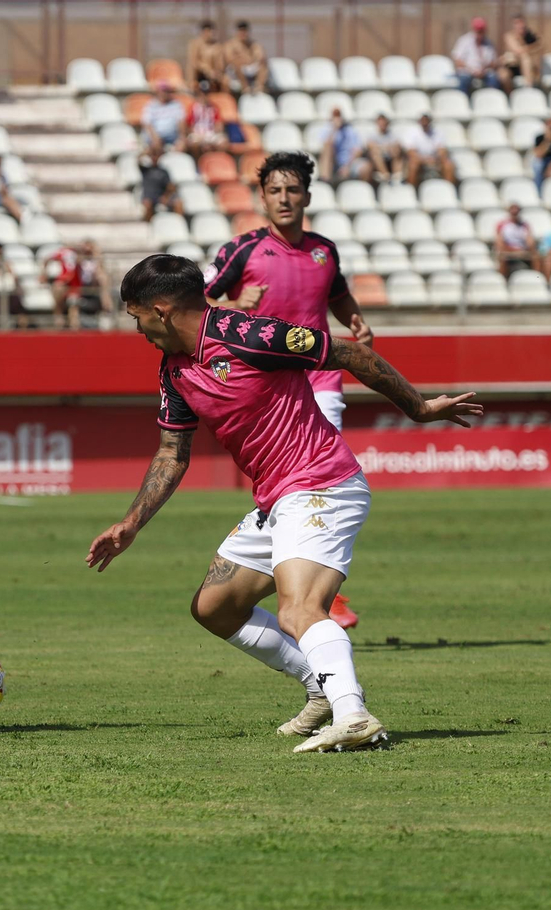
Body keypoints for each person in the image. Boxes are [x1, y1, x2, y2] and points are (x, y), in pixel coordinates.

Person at [88, 253, 482, 752]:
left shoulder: (249, 334)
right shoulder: (174, 370)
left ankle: (353, 713)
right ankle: (320, 687)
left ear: (161, 309)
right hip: (277, 499)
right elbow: (172, 452)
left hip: (321, 484)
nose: (137, 328)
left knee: (300, 609)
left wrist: (420, 408)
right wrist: (131, 524)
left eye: (136, 316)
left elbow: (351, 354)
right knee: (214, 608)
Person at [203, 151, 375, 627]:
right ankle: (299, 578)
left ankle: (324, 591)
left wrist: (355, 320)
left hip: (319, 381)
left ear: (307, 196)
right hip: (268, 389)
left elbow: (337, 296)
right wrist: (236, 302)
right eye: (275, 190)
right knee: (288, 486)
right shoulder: (243, 249)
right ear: (262, 197)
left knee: (317, 477)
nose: (284, 198)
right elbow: (194, 302)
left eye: (292, 190)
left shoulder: (324, 249)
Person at [43, 240, 110, 329]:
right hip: (73, 287)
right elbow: (49, 259)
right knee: (61, 290)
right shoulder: (72, 257)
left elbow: (99, 270)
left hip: (84, 287)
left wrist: (95, 254)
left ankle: (106, 306)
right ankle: (60, 317)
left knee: (73, 301)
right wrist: (44, 274)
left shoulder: (93, 261)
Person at [402, 114, 456, 186]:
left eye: (426, 120)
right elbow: (411, 152)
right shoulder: (412, 132)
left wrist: (435, 159)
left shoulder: (437, 132)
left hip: (435, 159)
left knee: (448, 165)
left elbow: (442, 150)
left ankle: (449, 188)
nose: (425, 122)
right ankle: (412, 189)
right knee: (413, 165)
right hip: (419, 160)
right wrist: (424, 160)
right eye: (423, 120)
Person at [452, 17, 501, 95]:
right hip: (467, 70)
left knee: (494, 79)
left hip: (484, 71)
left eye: (481, 31)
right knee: (464, 79)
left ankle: (492, 100)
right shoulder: (464, 40)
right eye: (478, 31)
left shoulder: (489, 43)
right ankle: (463, 102)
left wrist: (484, 69)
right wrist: (472, 70)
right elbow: (457, 61)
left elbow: (494, 62)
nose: (479, 33)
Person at [317, 108, 366, 184]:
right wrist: (335, 129)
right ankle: (325, 181)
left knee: (366, 168)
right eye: (335, 116)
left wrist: (347, 166)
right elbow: (326, 146)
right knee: (328, 149)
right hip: (334, 162)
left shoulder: (350, 130)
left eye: (338, 116)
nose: (337, 119)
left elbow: (358, 151)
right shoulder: (327, 129)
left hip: (349, 162)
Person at [141, 82, 186, 157]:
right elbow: (147, 124)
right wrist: (155, 138)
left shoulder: (176, 104)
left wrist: (182, 139)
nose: (164, 94)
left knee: (184, 147)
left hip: (172, 138)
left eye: (166, 91)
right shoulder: (151, 105)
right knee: (155, 148)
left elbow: (181, 122)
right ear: (157, 92)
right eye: (162, 91)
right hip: (155, 137)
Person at [223, 21, 268, 95]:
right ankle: (245, 87)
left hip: (249, 68)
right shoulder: (231, 44)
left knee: (263, 64)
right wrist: (242, 60)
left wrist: (253, 60)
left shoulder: (254, 44)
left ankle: (259, 87)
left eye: (245, 31)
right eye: (241, 31)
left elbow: (260, 56)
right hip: (235, 71)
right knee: (236, 63)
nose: (243, 34)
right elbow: (229, 59)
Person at [494, 202, 537, 277]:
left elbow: (530, 242)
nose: (515, 213)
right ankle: (503, 280)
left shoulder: (525, 225)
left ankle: (537, 278)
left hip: (523, 251)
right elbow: (500, 243)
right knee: (502, 258)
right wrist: (514, 250)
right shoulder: (502, 225)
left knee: (537, 257)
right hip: (508, 251)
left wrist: (528, 250)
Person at [136, 153, 182, 220]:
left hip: (161, 197)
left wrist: (166, 197)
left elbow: (170, 186)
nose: (154, 158)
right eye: (152, 156)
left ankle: (179, 223)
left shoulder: (163, 171)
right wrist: (147, 151)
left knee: (178, 203)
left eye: (156, 156)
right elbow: (138, 160)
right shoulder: (145, 170)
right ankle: (149, 224)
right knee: (147, 204)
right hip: (149, 197)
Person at [503, 15, 544, 90]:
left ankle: (530, 87)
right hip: (511, 67)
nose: (520, 26)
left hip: (528, 67)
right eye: (517, 23)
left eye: (521, 23)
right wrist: (532, 47)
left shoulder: (529, 36)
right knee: (525, 58)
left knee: (528, 60)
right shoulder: (509, 36)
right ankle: (527, 88)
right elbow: (518, 50)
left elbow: (541, 45)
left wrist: (533, 45)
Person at [184, 93, 228, 159]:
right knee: (194, 144)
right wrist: (200, 136)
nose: (203, 96)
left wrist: (215, 131)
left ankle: (217, 163)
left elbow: (219, 124)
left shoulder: (214, 107)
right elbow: (188, 125)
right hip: (197, 134)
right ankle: (198, 161)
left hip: (211, 133)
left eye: (205, 94)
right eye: (201, 94)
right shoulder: (192, 107)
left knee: (223, 142)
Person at [186, 20, 224, 95]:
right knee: (191, 68)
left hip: (213, 75)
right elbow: (194, 61)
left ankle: (222, 99)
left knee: (225, 80)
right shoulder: (195, 44)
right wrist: (207, 70)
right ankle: (191, 91)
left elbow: (220, 65)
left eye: (211, 31)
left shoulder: (218, 46)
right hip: (199, 73)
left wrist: (216, 73)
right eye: (207, 31)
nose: (209, 34)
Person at [363, 113, 402, 184]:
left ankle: (397, 177)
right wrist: (385, 148)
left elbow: (397, 145)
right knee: (375, 152)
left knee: (396, 150)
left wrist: (387, 148)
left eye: (384, 123)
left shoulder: (392, 134)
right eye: (381, 123)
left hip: (389, 158)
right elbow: (370, 146)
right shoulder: (372, 135)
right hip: (376, 161)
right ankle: (386, 175)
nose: (382, 125)